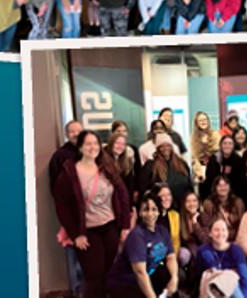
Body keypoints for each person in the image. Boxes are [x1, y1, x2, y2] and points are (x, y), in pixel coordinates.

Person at [52, 130, 133, 298]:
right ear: (80, 147)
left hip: (110, 227)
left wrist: (125, 225)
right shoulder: (70, 171)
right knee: (94, 275)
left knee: (109, 271)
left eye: (95, 143)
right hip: (86, 231)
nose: (93, 147)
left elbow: (122, 194)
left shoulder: (106, 166)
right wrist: (76, 235)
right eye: (88, 144)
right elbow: (62, 206)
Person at [108, 191, 178, 298]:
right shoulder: (137, 236)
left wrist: (174, 278)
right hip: (126, 284)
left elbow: (171, 257)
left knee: (167, 276)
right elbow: (140, 273)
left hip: (148, 276)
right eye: (146, 209)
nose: (150, 214)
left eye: (154, 209)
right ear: (140, 213)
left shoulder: (162, 231)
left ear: (159, 212)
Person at [49, 120, 88, 297]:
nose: (75, 134)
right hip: (71, 212)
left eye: (78, 131)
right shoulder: (59, 156)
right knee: (73, 250)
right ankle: (77, 290)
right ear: (67, 134)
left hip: (91, 212)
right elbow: (55, 190)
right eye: (71, 132)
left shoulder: (88, 152)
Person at [195, 218, 247, 298]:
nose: (220, 233)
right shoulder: (204, 251)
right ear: (210, 233)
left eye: (223, 230)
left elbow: (244, 276)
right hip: (212, 290)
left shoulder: (236, 250)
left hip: (235, 290)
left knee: (230, 278)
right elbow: (200, 273)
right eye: (216, 230)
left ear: (227, 232)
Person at [142, 137, 194, 211]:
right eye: (162, 146)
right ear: (158, 148)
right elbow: (145, 189)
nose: (165, 148)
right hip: (163, 209)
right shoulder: (151, 166)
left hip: (183, 206)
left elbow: (189, 184)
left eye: (168, 145)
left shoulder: (182, 164)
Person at [191, 112, 220, 176]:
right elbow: (194, 157)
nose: (203, 122)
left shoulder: (215, 134)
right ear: (197, 123)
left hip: (215, 167)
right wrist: (199, 172)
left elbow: (218, 151)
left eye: (205, 119)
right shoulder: (194, 138)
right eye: (200, 120)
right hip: (201, 170)